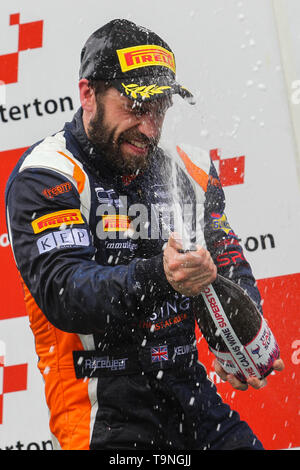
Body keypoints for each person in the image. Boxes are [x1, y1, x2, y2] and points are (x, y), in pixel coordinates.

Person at [5, 18, 283, 451]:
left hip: (188, 388)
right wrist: (161, 275)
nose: (150, 128)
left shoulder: (185, 165)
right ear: (87, 94)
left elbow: (225, 258)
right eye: (136, 106)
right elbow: (65, 292)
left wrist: (239, 336)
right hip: (102, 405)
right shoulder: (48, 174)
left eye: (160, 110)